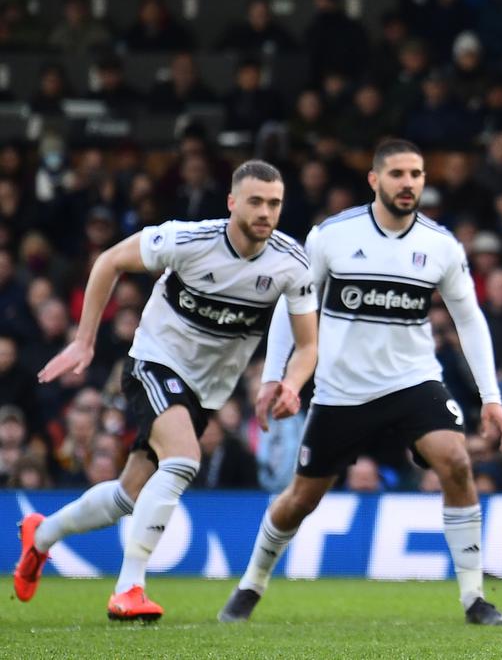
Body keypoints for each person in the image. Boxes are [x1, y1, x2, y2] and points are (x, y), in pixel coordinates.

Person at [217, 140, 502, 626]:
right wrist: (273, 376)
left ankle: (474, 598)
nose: (408, 183)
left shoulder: (440, 245)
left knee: (456, 461)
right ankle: (251, 584)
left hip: (413, 381)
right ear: (375, 180)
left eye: (416, 174)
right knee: (300, 500)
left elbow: (470, 320)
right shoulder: (332, 236)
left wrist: (492, 398)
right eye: (397, 173)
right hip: (342, 391)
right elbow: (290, 307)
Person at [15, 161, 318, 622]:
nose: (265, 212)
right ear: (232, 202)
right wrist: (84, 340)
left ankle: (40, 537)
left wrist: (291, 383)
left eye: (274, 203)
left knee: (126, 496)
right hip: (154, 361)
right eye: (255, 201)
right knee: (184, 458)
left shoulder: (290, 263)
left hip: (205, 390)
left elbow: (309, 343)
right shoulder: (188, 239)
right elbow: (109, 260)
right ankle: (129, 588)